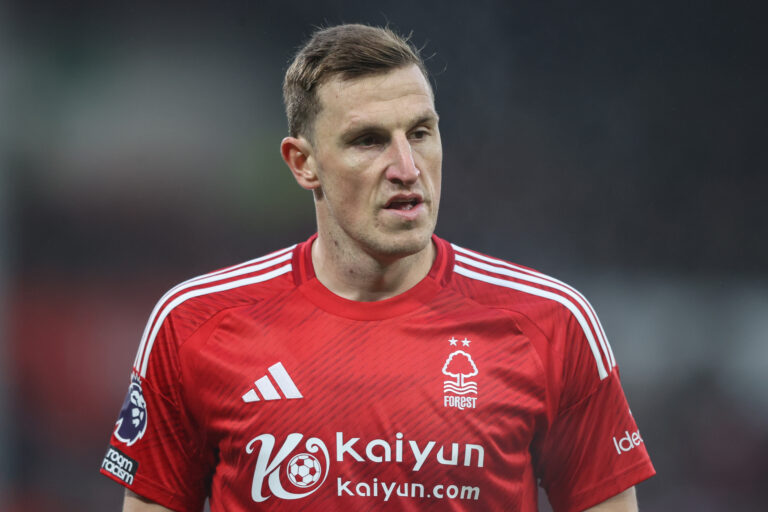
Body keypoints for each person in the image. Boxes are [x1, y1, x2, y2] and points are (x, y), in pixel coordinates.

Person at [100, 23, 655, 511]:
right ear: (303, 163)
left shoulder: (551, 323)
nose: (407, 167)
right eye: (368, 141)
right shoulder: (194, 323)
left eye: (420, 133)